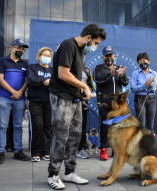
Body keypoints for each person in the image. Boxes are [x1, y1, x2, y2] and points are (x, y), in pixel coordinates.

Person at [47, 24, 106, 190]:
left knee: (75, 136)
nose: (95, 47)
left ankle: (70, 172)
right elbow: (62, 74)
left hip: (75, 98)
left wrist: (81, 88)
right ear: (88, 38)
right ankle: (53, 174)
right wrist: (84, 86)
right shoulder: (68, 45)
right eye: (95, 43)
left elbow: (73, 75)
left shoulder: (81, 50)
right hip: (61, 97)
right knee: (61, 136)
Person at [0, 38, 30, 164]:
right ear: (12, 48)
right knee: (3, 126)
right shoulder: (2, 60)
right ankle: (1, 152)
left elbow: (26, 81)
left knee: (18, 126)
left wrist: (20, 92)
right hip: (5, 97)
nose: (21, 50)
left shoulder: (25, 64)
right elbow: (1, 79)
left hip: (20, 98)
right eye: (19, 47)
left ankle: (18, 151)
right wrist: (13, 92)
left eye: (23, 48)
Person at [93, 45, 129, 161]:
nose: (109, 58)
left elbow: (125, 83)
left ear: (114, 56)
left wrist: (121, 75)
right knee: (105, 124)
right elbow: (98, 80)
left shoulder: (119, 68)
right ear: (102, 57)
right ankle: (103, 149)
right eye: (106, 56)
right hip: (104, 102)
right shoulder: (98, 68)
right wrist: (110, 74)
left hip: (118, 103)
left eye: (111, 56)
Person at [27, 47, 53, 162]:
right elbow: (32, 80)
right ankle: (35, 152)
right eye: (44, 55)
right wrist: (45, 80)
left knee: (48, 127)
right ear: (39, 56)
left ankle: (46, 151)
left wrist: (52, 81)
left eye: (49, 55)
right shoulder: (32, 67)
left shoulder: (53, 71)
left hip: (49, 103)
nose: (47, 57)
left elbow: (57, 83)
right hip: (35, 102)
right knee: (37, 127)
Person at [131, 52, 157, 133]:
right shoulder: (135, 73)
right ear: (138, 63)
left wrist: (151, 86)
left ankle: (150, 145)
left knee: (151, 126)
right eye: (140, 61)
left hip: (152, 100)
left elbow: (156, 88)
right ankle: (141, 145)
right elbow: (133, 89)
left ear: (149, 61)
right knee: (141, 125)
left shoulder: (154, 73)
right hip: (139, 100)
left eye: (144, 61)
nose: (143, 63)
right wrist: (145, 85)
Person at [77, 53, 94, 159]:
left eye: (83, 54)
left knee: (82, 125)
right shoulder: (69, 67)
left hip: (83, 101)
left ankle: (80, 149)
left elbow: (91, 85)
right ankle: (67, 149)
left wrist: (88, 91)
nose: (81, 56)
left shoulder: (87, 70)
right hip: (70, 100)